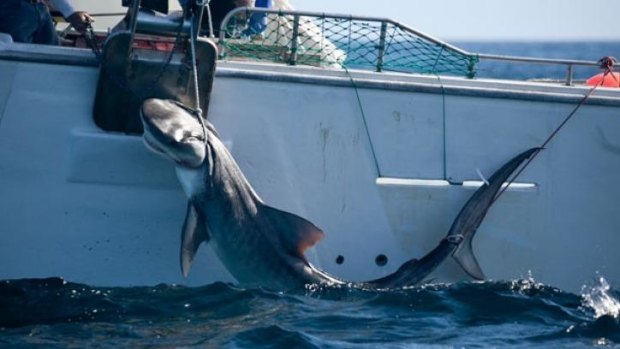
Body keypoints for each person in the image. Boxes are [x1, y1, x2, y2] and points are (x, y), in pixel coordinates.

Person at [0, 0, 93, 45]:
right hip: (13, 9)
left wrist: (70, 12)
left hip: (40, 7)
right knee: (17, 56)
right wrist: (70, 12)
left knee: (54, 53)